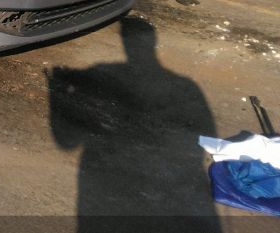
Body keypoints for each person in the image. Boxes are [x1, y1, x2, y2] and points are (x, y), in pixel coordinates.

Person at [48, 17, 220, 232]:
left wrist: (55, 92)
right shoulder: (186, 87)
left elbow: (66, 141)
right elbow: (203, 138)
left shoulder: (107, 73)